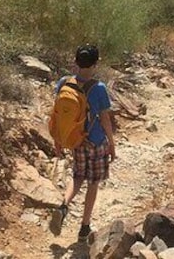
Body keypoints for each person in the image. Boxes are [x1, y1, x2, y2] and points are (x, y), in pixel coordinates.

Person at [49, 44, 116, 242]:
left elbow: (59, 115)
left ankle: (64, 205)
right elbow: (105, 119)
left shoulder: (64, 83)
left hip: (76, 140)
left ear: (76, 62)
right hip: (96, 143)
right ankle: (84, 226)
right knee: (93, 183)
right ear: (95, 64)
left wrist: (58, 139)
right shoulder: (99, 88)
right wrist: (111, 143)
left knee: (77, 177)